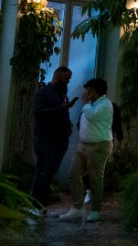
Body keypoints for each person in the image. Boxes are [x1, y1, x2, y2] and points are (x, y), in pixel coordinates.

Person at [61, 78, 114, 222]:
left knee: (95, 179)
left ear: (96, 91)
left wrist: (85, 104)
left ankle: (95, 211)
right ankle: (77, 207)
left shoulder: (105, 104)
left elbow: (93, 116)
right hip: (83, 145)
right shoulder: (90, 105)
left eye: (89, 91)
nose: (86, 94)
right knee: (73, 174)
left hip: (99, 145)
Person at [30, 65, 75, 208]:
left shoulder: (61, 94)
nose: (68, 82)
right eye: (66, 78)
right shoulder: (43, 93)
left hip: (60, 138)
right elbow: (38, 113)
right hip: (46, 139)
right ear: (57, 76)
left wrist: (68, 126)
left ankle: (41, 204)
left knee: (49, 172)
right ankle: (37, 205)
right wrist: (60, 108)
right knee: (43, 171)